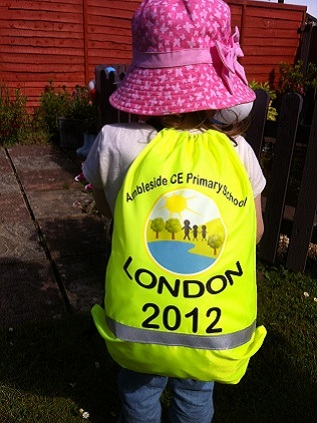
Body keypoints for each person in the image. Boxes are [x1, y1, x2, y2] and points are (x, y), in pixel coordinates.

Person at [83, 0, 266, 421]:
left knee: (139, 389)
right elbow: (253, 230)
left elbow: (108, 210)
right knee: (197, 395)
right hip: (210, 324)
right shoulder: (238, 152)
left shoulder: (113, 141)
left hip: (139, 319)